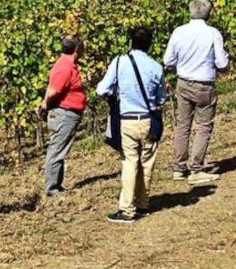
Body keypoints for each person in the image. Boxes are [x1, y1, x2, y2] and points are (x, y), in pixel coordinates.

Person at [96, 26, 167, 224]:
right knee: (147, 162)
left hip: (127, 120)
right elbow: (162, 99)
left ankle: (127, 209)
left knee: (129, 162)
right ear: (150, 44)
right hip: (148, 120)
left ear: (131, 42)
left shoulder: (119, 62)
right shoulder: (156, 67)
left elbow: (101, 89)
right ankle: (143, 203)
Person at [163, 0, 228, 186]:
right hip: (204, 85)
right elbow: (222, 63)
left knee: (183, 125)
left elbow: (168, 60)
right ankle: (196, 168)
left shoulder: (179, 32)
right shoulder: (213, 33)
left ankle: (178, 167)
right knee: (204, 126)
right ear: (208, 13)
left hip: (183, 83)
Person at [39, 34, 87, 197]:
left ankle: (56, 185)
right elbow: (53, 90)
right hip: (64, 114)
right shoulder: (65, 67)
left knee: (58, 149)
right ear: (77, 49)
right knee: (57, 150)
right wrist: (45, 103)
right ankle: (52, 188)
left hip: (66, 113)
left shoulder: (66, 65)